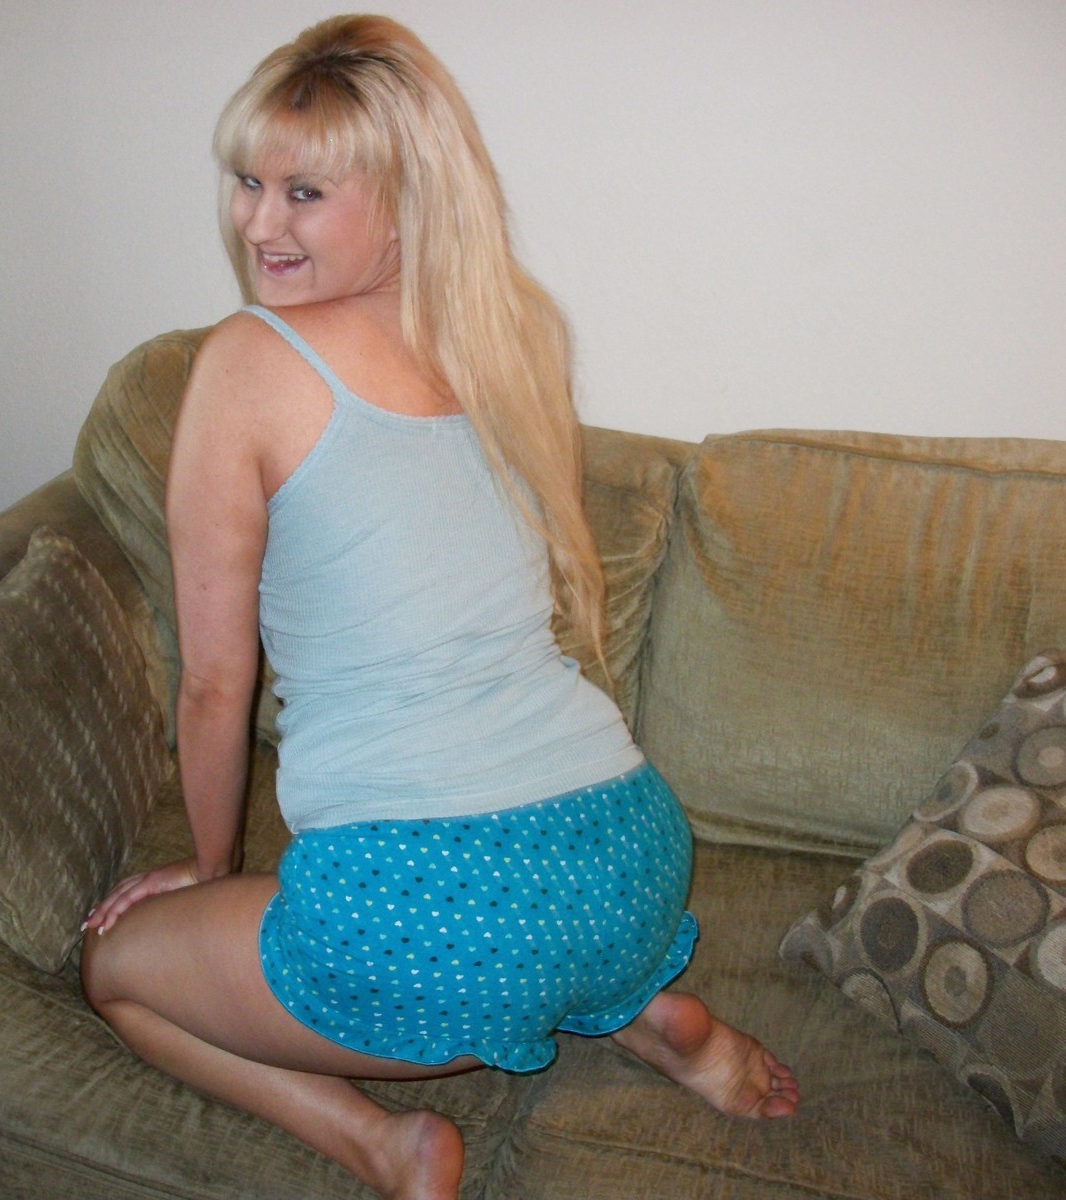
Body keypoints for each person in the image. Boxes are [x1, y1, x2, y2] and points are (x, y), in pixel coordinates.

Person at [80, 15, 799, 1200]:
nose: (257, 223)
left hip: (435, 927)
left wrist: (205, 870)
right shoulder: (508, 338)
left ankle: (383, 1143)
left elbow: (214, 684)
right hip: (629, 854)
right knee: (532, 943)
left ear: (406, 200)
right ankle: (629, 1005)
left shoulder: (247, 362)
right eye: (247, 181)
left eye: (304, 192)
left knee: (113, 970)